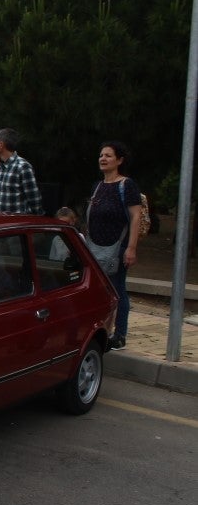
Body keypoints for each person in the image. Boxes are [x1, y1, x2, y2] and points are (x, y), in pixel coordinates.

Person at [86, 140, 142, 351]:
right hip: (94, 247)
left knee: (117, 291)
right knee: (98, 292)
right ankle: (100, 330)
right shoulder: (97, 186)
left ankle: (119, 334)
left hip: (117, 248)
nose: (103, 159)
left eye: (108, 155)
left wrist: (131, 247)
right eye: (101, 155)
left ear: (119, 160)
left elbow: (136, 216)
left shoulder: (126, 185)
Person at [0, 128, 42, 214]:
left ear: (1, 145)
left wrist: (37, 218)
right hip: (0, 223)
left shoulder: (22, 166)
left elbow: (34, 198)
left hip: (17, 223)